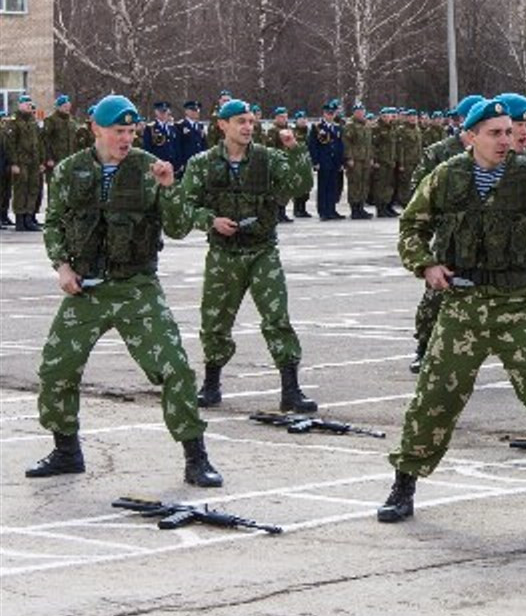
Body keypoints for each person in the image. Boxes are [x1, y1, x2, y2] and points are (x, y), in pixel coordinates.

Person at [378, 98, 526, 528]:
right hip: (463, 308)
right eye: (495, 133)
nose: (505, 140)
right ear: (471, 137)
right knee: (433, 400)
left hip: (517, 305)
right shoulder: (446, 177)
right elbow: (411, 226)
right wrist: (425, 265)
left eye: (509, 131)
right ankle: (403, 485)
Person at [25, 94, 222, 488]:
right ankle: (66, 451)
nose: (127, 138)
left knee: (175, 368)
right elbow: (55, 224)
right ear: (96, 128)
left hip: (136, 286)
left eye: (132, 131)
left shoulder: (152, 168)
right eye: (119, 131)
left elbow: (179, 227)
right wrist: (62, 267)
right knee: (55, 369)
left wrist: (169, 188)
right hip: (87, 289)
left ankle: (196, 457)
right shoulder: (69, 170)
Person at [180, 99, 317, 413]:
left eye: (251, 122)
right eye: (240, 121)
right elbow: (186, 204)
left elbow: (302, 184)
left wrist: (295, 149)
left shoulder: (268, 159)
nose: (247, 127)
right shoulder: (202, 163)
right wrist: (211, 221)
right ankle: (211, 384)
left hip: (261, 250)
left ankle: (291, 390)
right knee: (214, 322)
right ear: (222, 125)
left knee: (276, 318)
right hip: (223, 253)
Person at [405, 94, 485, 373]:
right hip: (449, 237)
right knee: (437, 295)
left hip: (487, 239)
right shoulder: (440, 153)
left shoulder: (496, 151)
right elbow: (418, 190)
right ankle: (424, 346)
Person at [8, 95, 44, 231]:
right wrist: (14, 163)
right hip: (21, 162)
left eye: (30, 104)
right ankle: (20, 220)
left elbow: (39, 143)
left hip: (34, 163)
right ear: (20, 105)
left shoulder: (33, 122)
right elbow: (10, 145)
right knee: (20, 190)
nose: (29, 106)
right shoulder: (14, 122)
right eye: (26, 104)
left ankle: (29, 219)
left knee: (33, 189)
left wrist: (41, 161)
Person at [309, 99, 346, 220]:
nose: (330, 115)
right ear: (324, 113)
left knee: (333, 187)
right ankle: (323, 211)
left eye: (332, 113)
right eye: (328, 113)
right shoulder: (317, 127)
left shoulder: (337, 128)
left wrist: (341, 162)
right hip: (323, 161)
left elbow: (340, 146)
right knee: (323, 187)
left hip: (334, 162)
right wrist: (315, 162)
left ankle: (332, 210)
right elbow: (313, 145)